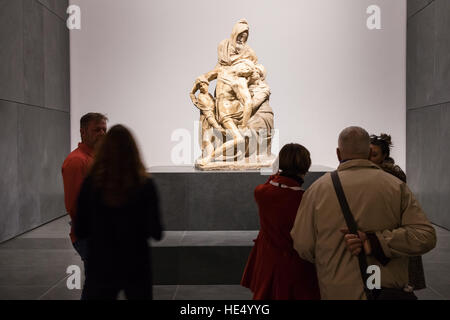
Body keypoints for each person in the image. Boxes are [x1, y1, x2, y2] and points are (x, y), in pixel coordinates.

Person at [290, 126, 436, 300]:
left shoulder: (316, 190)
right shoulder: (395, 187)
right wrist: (378, 242)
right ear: (368, 152)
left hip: (338, 289)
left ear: (338, 153)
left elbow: (303, 246)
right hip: (383, 287)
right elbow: (425, 236)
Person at [73, 125, 163, 300]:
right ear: (134, 150)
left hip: (101, 261)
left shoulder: (91, 184)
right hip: (136, 261)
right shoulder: (145, 185)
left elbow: (81, 229)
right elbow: (156, 232)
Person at [241, 144, 321, 300]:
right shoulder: (304, 200)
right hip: (295, 263)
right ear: (306, 166)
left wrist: (278, 173)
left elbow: (271, 182)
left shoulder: (261, 192)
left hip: (267, 258)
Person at [370, 133, 426, 291]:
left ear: (384, 156)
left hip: (395, 230)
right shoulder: (388, 176)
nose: (369, 158)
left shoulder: (393, 178)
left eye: (374, 154)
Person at [61, 112, 107, 299]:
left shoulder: (97, 157)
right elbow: (74, 205)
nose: (102, 133)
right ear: (83, 132)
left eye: (104, 129)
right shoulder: (76, 161)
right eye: (97, 130)